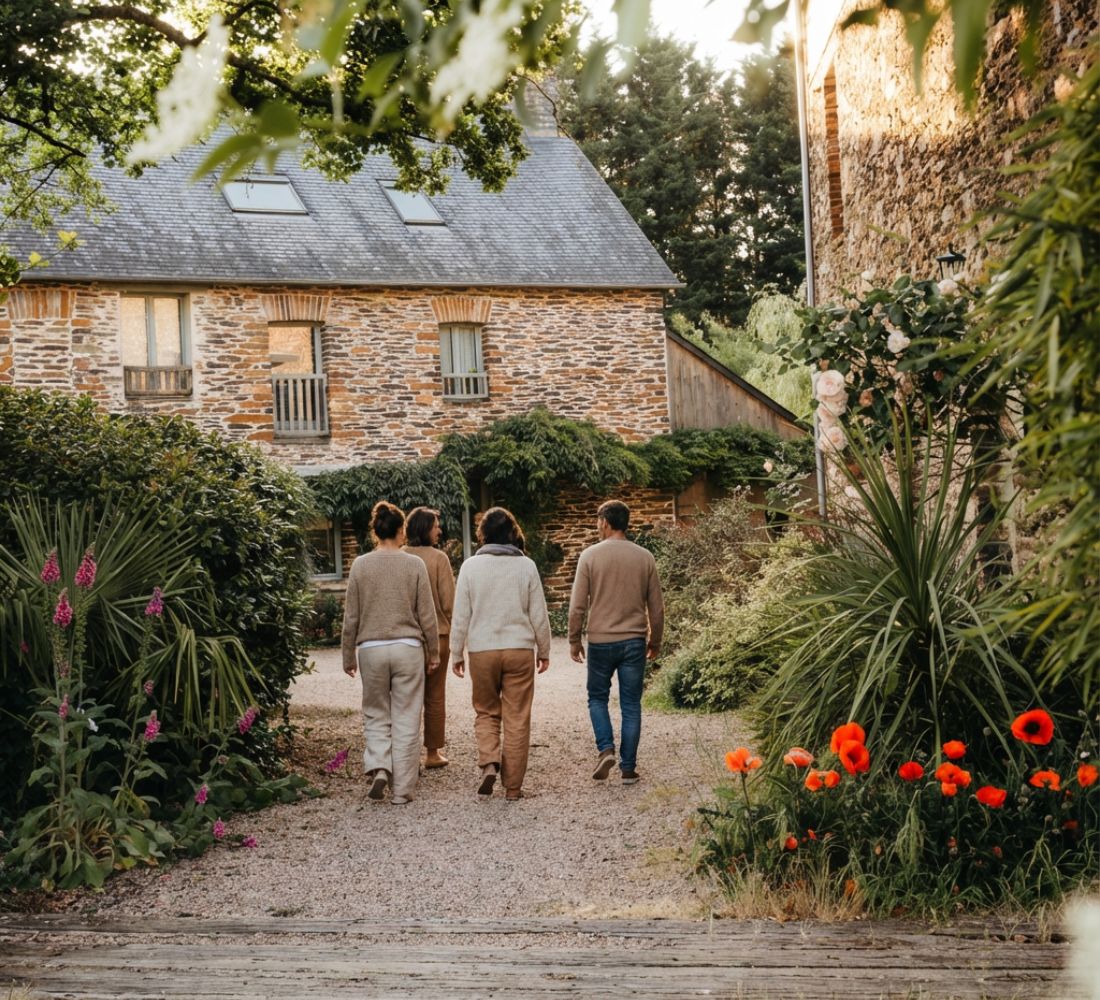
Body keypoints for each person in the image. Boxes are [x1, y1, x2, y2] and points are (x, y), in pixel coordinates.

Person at [341, 501, 439, 805]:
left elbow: (351, 617)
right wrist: (433, 652)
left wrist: (347, 656)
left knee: (375, 713)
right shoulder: (414, 564)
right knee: (408, 717)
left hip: (370, 648)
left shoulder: (359, 565)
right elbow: (427, 615)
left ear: (376, 531)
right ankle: (403, 790)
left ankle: (380, 766)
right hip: (408, 648)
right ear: (401, 531)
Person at [450, 507, 551, 801]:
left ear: (483, 534)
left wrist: (457, 652)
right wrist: (543, 649)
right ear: (512, 532)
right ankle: (513, 788)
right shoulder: (527, 566)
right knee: (517, 717)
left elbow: (461, 615)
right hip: (519, 649)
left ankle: (489, 763)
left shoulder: (470, 567)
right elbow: (539, 614)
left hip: (482, 650)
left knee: (486, 711)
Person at [568, 499, 664, 786]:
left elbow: (577, 606)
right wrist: (655, 640)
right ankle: (628, 769)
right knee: (631, 704)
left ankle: (606, 748)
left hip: (600, 641)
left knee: (597, 698)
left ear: (606, 522)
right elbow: (656, 607)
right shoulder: (645, 556)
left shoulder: (590, 556)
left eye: (599, 521)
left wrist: (574, 640)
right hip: (634, 640)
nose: (598, 526)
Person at [402, 506, 456, 769]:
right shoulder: (438, 559)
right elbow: (448, 603)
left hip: (406, 638)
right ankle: (432, 753)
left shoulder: (398, 557)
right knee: (434, 696)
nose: (440, 530)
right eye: (436, 525)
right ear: (424, 528)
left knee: (405, 695)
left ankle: (405, 753)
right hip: (439, 635)